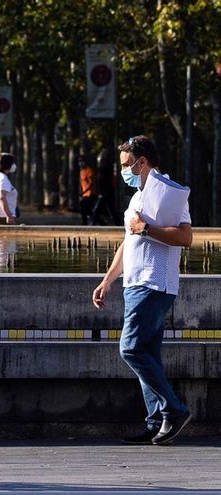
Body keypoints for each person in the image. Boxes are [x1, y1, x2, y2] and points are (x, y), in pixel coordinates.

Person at [92, 135, 193, 445]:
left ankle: (174, 410)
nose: (123, 171)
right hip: (135, 283)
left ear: (143, 162)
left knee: (130, 348)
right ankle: (155, 422)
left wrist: (147, 228)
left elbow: (186, 238)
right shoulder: (138, 196)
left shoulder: (169, 193)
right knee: (147, 353)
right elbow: (128, 241)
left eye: (127, 165)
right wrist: (108, 279)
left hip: (155, 283)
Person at [79, 157, 97, 225]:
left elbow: (91, 183)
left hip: (90, 194)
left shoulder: (89, 170)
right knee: (84, 209)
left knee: (88, 210)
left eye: (82, 161)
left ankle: (89, 222)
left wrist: (84, 191)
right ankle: (85, 222)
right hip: (84, 194)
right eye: (79, 161)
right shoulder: (82, 171)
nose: (80, 163)